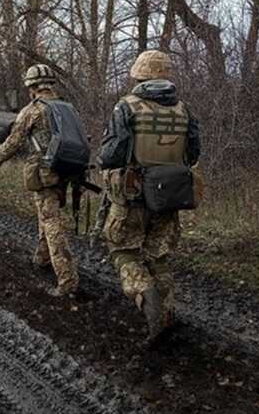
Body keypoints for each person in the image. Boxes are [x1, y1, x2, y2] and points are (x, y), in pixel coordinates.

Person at [97, 50, 200, 342]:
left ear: (139, 76)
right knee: (159, 254)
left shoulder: (127, 107)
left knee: (123, 250)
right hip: (170, 196)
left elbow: (112, 154)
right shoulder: (184, 110)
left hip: (133, 194)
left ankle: (145, 292)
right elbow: (193, 153)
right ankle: (166, 312)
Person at [0, 64, 79, 297]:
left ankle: (67, 279)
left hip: (44, 170)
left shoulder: (33, 110)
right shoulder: (66, 107)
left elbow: (14, 140)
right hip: (65, 170)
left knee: (51, 222)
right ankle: (41, 258)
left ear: (31, 87)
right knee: (46, 213)